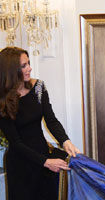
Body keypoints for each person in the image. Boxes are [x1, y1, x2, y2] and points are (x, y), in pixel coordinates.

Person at [0, 47, 80, 200]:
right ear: (11, 70)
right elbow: (16, 143)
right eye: (24, 66)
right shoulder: (2, 99)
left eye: (28, 63)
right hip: (21, 165)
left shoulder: (38, 88)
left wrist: (65, 141)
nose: (30, 68)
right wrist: (46, 162)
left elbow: (51, 120)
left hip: (43, 157)